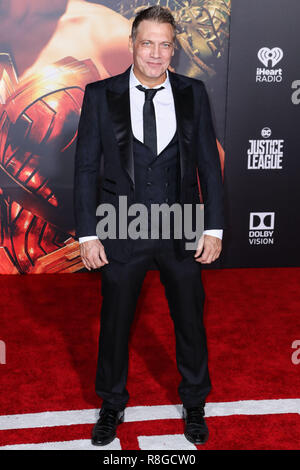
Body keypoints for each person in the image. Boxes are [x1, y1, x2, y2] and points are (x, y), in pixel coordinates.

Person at [74, 5, 224, 447]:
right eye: (147, 43)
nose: (156, 53)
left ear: (173, 49)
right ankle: (111, 404)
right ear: (132, 44)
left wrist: (213, 227)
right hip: (120, 225)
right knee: (115, 322)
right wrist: (87, 234)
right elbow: (85, 168)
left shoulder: (194, 93)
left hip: (181, 225)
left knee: (190, 321)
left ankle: (194, 402)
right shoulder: (101, 95)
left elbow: (208, 169)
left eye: (165, 44)